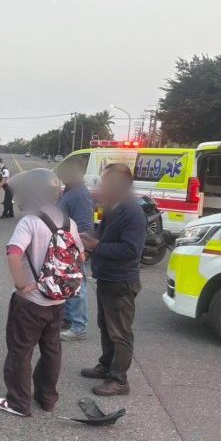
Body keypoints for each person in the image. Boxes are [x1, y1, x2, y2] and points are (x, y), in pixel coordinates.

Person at [0, 168, 84, 417]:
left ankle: (18, 402)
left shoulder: (31, 221)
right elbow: (81, 255)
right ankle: (47, 398)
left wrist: (22, 284)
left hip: (31, 301)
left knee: (20, 350)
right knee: (51, 348)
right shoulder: (68, 222)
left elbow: (14, 254)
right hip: (58, 299)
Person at [79, 163, 146, 396]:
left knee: (120, 332)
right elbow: (102, 233)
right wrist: (86, 239)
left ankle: (119, 380)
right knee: (106, 327)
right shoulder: (113, 207)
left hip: (121, 281)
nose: (101, 185)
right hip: (106, 278)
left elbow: (130, 250)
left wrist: (97, 246)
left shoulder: (132, 212)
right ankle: (106, 366)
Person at [57, 164, 94, 341]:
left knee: (78, 287)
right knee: (66, 284)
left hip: (74, 248)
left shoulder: (79, 195)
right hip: (64, 248)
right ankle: (67, 319)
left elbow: (85, 226)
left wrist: (81, 250)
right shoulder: (70, 191)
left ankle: (79, 327)